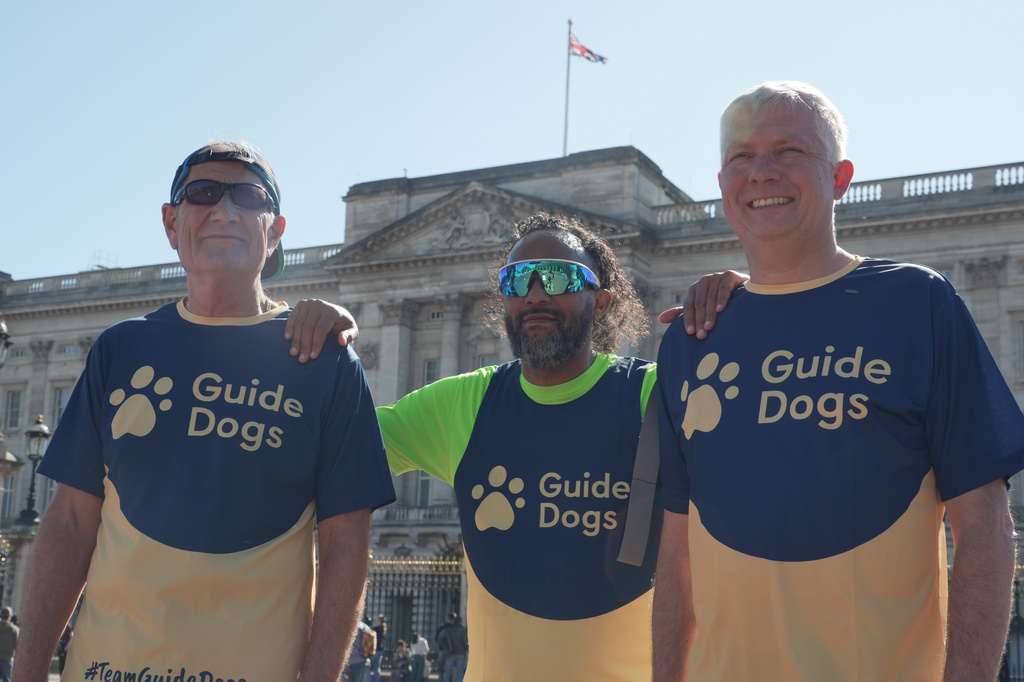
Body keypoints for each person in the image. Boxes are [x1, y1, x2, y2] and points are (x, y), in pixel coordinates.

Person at [652, 81, 1024, 681]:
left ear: (841, 177)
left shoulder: (917, 303)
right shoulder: (691, 336)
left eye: (790, 151)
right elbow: (675, 554)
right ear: (721, 185)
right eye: (741, 157)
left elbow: (984, 522)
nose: (762, 173)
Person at [11, 141, 395, 682]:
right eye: (203, 194)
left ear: (275, 231)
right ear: (172, 224)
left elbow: (345, 543)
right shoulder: (120, 348)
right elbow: (71, 523)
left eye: (248, 196)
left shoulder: (321, 357)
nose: (224, 210)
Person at [288, 212, 668, 680]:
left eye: (559, 276)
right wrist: (310, 356)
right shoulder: (461, 402)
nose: (535, 293)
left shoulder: (655, 395)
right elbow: (313, 450)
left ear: (602, 301)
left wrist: (753, 311)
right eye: (516, 281)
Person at [436, 613, 468, 682]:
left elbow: (440, 637)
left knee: (447, 672)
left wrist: (445, 646)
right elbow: (465, 641)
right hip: (461, 653)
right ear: (460, 622)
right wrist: (466, 648)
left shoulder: (448, 629)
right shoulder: (462, 630)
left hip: (450, 653)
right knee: (459, 672)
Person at [0, 608, 18, 682]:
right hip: (7, 658)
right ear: (9, 617)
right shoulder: (14, 629)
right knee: (7, 679)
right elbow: (16, 645)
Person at [368, 614, 387, 682]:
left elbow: (370, 630)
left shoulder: (378, 629)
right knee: (376, 668)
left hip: (376, 650)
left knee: (368, 667)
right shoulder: (382, 629)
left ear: (380, 621)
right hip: (380, 650)